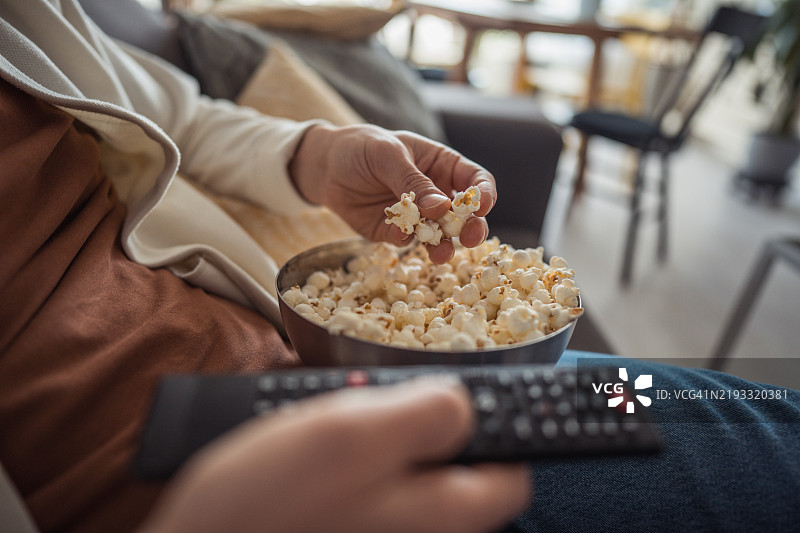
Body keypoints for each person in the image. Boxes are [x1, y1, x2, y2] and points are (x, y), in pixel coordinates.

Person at [1, 2, 799, 533]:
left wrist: (314, 154)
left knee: (755, 408)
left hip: (291, 365)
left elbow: (179, 114)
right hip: (196, 488)